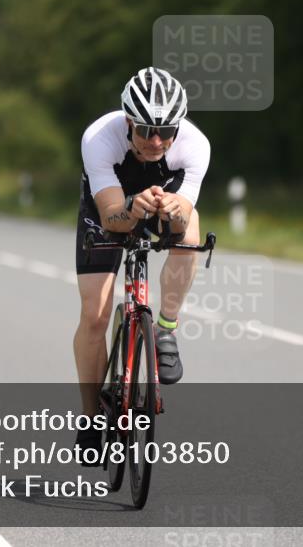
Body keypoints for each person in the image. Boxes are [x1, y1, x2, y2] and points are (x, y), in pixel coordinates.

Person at [73, 67, 210, 459]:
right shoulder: (100, 138)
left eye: (166, 131)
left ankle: (166, 327)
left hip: (159, 201)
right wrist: (132, 209)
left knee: (193, 227)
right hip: (111, 207)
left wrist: (173, 211)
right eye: (146, 130)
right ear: (128, 122)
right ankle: (91, 419)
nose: (156, 141)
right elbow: (111, 215)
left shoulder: (194, 146)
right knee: (95, 316)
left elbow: (183, 218)